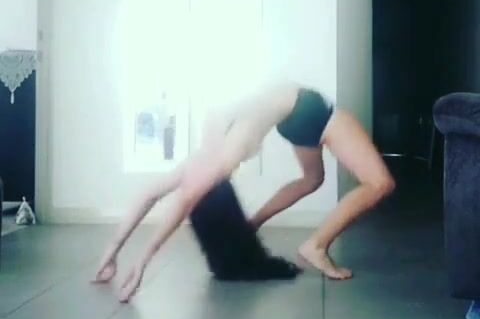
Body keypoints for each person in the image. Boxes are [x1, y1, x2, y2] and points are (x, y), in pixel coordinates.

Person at [93, 80, 395, 302]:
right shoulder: (226, 153)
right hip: (308, 109)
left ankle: (255, 224)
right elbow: (183, 199)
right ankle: (316, 246)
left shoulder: (202, 158)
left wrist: (113, 250)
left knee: (312, 179)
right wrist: (141, 263)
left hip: (294, 115)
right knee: (380, 183)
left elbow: (152, 194)